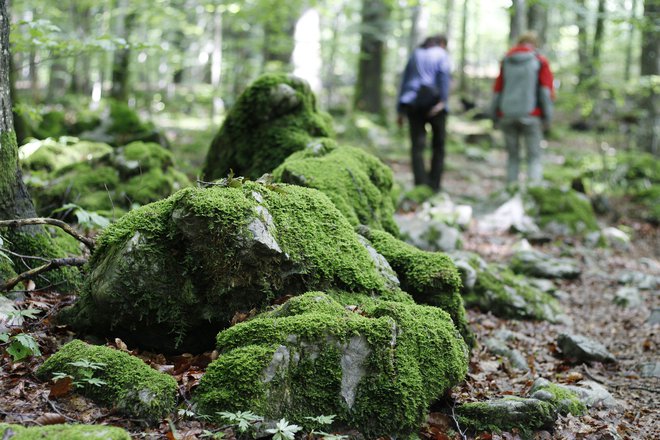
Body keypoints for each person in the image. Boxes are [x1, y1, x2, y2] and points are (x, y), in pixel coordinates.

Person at [490, 31, 555, 185]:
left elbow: (497, 91)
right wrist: (548, 118)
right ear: (534, 44)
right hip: (531, 115)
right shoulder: (540, 61)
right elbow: (545, 92)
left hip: (506, 114)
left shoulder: (506, 60)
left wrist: (494, 115)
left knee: (513, 157)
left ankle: (511, 191)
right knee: (534, 157)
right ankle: (533, 193)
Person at [396, 34, 452, 192]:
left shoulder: (415, 54)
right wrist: (443, 101)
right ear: (442, 43)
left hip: (413, 103)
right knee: (438, 146)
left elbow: (405, 81)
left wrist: (399, 111)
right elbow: (444, 78)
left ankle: (420, 185)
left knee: (417, 146)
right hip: (436, 105)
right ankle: (434, 185)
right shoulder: (442, 54)